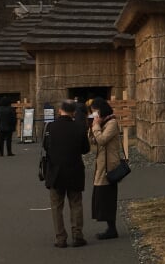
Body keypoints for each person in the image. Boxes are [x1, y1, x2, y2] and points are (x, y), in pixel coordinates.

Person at [44, 100, 91, 248]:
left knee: (56, 206)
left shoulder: (50, 127)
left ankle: (60, 238)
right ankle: (77, 236)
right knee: (76, 203)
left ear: (60, 110)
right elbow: (85, 149)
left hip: (55, 171)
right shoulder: (79, 127)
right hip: (75, 170)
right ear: (74, 112)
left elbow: (46, 146)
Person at [88, 98, 122, 240]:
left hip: (109, 166)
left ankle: (112, 229)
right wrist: (92, 127)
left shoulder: (112, 122)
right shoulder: (103, 122)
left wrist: (96, 126)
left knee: (107, 195)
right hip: (102, 164)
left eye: (95, 111)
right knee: (101, 194)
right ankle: (110, 227)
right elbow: (93, 141)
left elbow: (102, 140)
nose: (94, 114)